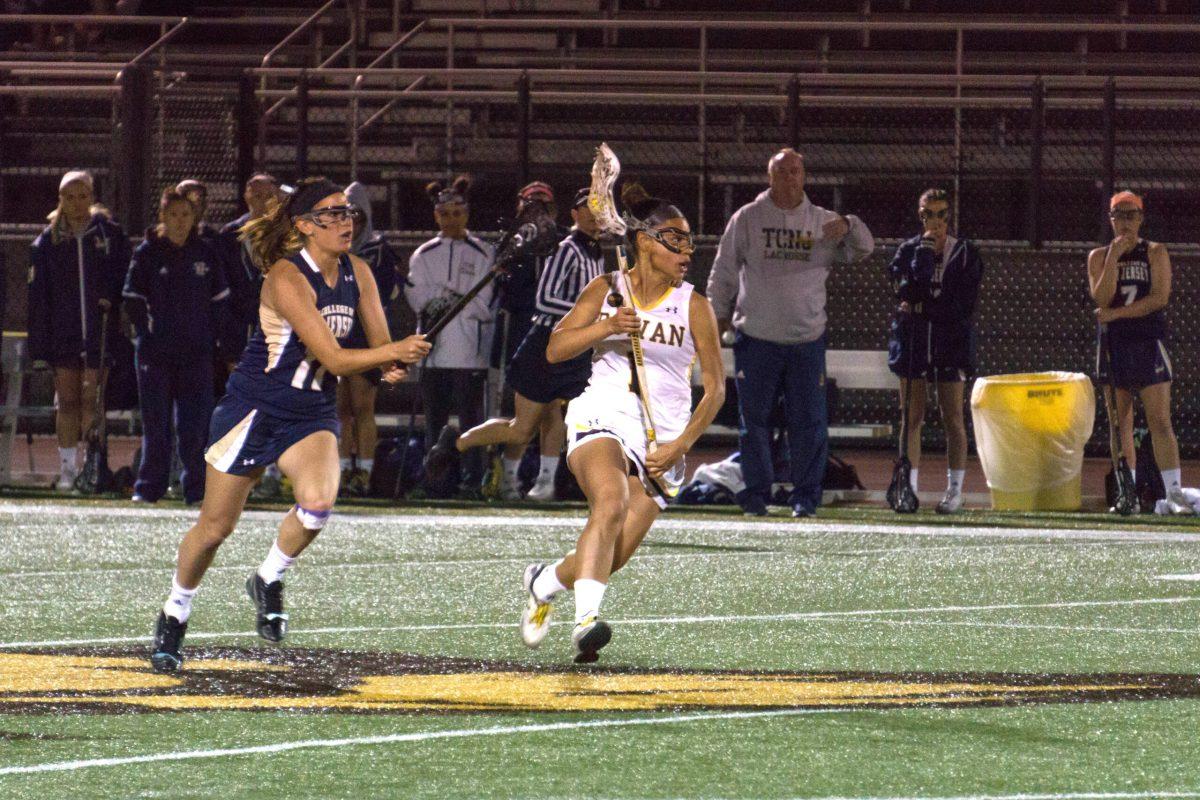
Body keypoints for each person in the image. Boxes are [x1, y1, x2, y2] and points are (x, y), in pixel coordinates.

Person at [148, 178, 431, 673]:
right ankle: (175, 610)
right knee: (216, 528)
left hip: (310, 412)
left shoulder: (359, 272)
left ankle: (269, 576)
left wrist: (392, 363)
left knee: (318, 504)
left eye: (348, 214)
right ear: (304, 226)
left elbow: (376, 356)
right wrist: (389, 352)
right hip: (255, 407)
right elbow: (335, 357)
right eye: (332, 215)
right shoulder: (285, 276)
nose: (346, 222)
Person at [519, 183, 724, 663]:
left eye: (690, 240)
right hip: (602, 412)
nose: (687, 250)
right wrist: (608, 326)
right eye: (676, 238)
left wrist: (680, 447)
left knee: (614, 557)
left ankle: (544, 580)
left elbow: (715, 390)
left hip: (664, 436)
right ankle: (586, 624)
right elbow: (555, 349)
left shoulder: (695, 305)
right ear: (645, 241)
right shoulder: (607, 289)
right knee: (608, 502)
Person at [706, 148, 874, 518]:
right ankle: (757, 495)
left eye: (796, 172)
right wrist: (715, 320)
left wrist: (849, 224)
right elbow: (723, 273)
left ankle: (805, 497)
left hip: (806, 341)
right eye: (782, 172)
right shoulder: (747, 219)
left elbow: (865, 247)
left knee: (809, 423)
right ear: (770, 177)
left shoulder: (823, 221)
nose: (790, 179)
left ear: (804, 176)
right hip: (756, 339)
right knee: (754, 423)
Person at [456, 187, 605, 501]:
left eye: (598, 208)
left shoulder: (598, 251)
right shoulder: (568, 248)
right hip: (544, 343)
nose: (593, 215)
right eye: (586, 209)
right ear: (575, 215)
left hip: (573, 346)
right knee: (522, 428)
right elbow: (545, 298)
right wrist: (587, 314)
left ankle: (546, 484)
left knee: (560, 416)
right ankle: (457, 443)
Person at [123, 188, 230, 504]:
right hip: (155, 354)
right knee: (156, 424)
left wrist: (210, 337)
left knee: (195, 427)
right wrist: (149, 331)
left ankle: (196, 489)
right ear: (163, 217)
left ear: (194, 217)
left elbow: (220, 300)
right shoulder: (147, 253)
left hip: (196, 355)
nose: (180, 221)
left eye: (186, 215)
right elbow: (132, 298)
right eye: (173, 215)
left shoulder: (206, 254)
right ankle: (148, 488)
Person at [1088, 190, 1191, 515]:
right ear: (1111, 219)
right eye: (1120, 215)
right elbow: (1102, 298)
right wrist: (1114, 257)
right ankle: (1127, 491)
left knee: (1159, 419)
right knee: (1120, 422)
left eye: (1132, 215)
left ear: (1141, 218)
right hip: (1115, 345)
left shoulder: (1155, 252)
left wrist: (1117, 315)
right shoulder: (1098, 256)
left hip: (1147, 341)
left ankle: (1173, 492)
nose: (1126, 222)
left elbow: (1159, 297)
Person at [27, 169, 131, 490]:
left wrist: (109, 299)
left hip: (98, 333)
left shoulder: (110, 235)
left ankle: (93, 466)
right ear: (60, 199)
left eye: (82, 196)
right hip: (64, 333)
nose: (76, 203)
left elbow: (122, 277)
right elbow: (39, 298)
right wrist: (40, 345)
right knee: (68, 401)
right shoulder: (46, 242)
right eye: (69, 197)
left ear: (91, 197)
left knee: (92, 399)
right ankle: (67, 470)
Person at [886, 188, 984, 514]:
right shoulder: (909, 250)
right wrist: (925, 256)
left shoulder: (966, 253)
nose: (936, 221)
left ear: (949, 216)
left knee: (952, 416)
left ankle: (954, 489)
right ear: (921, 216)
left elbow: (961, 304)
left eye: (942, 214)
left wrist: (922, 305)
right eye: (929, 214)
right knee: (911, 416)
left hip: (950, 340)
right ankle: (908, 488)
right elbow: (906, 288)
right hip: (915, 339)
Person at [403, 176, 496, 496]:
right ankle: (435, 481)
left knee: (472, 420)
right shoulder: (423, 254)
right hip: (434, 351)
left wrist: (457, 300)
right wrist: (441, 299)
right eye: (446, 214)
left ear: (466, 215)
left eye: (458, 213)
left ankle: (473, 480)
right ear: (436, 216)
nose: (452, 219)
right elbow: (417, 296)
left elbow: (486, 304)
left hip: (469, 350)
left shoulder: (483, 252)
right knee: (434, 420)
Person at [336, 181, 399, 496]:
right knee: (339, 408)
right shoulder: (331, 249)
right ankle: (342, 471)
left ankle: (364, 471)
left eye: (356, 215)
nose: (351, 221)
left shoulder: (377, 249)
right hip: (336, 333)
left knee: (362, 405)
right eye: (345, 214)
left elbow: (383, 294)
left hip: (363, 335)